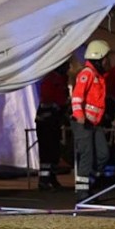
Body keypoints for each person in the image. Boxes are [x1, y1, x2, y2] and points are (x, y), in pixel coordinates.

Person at [71, 40, 111, 199]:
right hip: (83, 123)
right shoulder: (86, 74)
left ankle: (89, 182)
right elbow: (77, 97)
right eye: (105, 58)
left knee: (103, 154)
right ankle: (82, 192)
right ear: (99, 57)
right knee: (87, 156)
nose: (107, 61)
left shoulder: (97, 75)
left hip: (94, 123)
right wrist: (80, 116)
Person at [35, 60, 70, 191]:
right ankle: (44, 181)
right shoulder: (51, 79)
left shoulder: (61, 79)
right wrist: (60, 106)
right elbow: (49, 99)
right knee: (47, 152)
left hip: (54, 120)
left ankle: (52, 178)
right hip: (46, 121)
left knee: (54, 151)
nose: (68, 67)